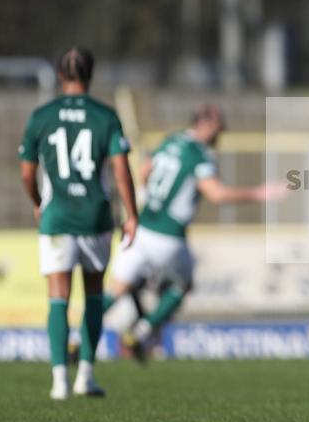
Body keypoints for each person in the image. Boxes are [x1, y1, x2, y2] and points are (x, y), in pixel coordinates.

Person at [103, 104, 284, 359]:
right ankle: (143, 331)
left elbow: (145, 170)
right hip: (168, 236)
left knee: (114, 291)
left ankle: (77, 336)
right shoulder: (200, 154)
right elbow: (217, 194)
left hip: (140, 227)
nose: (220, 135)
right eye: (218, 128)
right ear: (206, 124)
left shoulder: (171, 139)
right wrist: (259, 193)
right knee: (183, 284)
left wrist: (146, 194)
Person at [19, 47, 138, 399]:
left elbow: (27, 173)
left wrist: (38, 202)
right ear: (91, 75)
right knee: (94, 295)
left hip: (57, 216)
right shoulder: (105, 116)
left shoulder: (42, 115)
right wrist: (132, 215)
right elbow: (120, 170)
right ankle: (85, 374)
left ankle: (58, 382)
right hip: (95, 216)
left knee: (58, 297)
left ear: (59, 75)